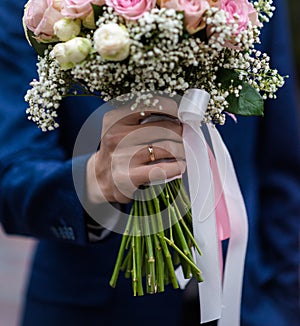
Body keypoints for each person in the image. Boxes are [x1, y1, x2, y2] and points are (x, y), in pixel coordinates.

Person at [0, 1, 299, 326]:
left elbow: (282, 169)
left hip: (247, 302)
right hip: (94, 309)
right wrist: (96, 178)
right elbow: (13, 176)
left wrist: (283, 302)